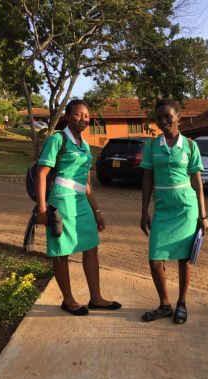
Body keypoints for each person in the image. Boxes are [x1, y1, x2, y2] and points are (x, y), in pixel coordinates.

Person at [35, 99, 121, 315]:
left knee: (91, 248)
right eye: (78, 114)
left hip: (81, 202)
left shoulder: (84, 145)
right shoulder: (57, 139)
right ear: (67, 116)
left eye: (86, 115)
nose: (84, 119)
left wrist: (97, 211)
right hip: (61, 202)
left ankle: (96, 298)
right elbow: (41, 174)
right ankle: (68, 300)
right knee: (61, 252)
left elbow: (87, 182)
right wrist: (42, 209)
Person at [140, 98, 208, 324]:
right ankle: (164, 305)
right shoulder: (151, 146)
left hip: (186, 209)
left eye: (168, 116)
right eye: (159, 118)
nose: (163, 121)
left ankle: (181, 303)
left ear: (178, 116)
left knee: (184, 259)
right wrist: (144, 212)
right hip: (162, 209)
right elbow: (147, 180)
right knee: (155, 259)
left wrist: (203, 216)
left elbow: (198, 183)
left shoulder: (190, 146)